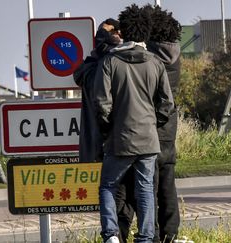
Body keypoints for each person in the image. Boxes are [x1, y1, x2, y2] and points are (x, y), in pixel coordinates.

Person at [93, 4, 174, 243]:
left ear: (123, 31)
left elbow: (101, 102)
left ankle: (111, 235)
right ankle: (146, 237)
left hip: (120, 139)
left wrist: (109, 128)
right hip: (148, 139)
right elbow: (167, 104)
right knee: (146, 189)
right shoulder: (156, 63)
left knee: (108, 185)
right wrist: (152, 123)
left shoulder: (109, 62)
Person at [116, 5, 182, 243]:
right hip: (169, 131)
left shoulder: (149, 58)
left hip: (146, 131)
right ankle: (170, 235)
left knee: (143, 190)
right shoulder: (175, 56)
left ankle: (148, 236)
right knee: (167, 187)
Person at [73, 18, 121, 162]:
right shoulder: (117, 65)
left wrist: (102, 35)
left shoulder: (87, 69)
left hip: (93, 146)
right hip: (114, 144)